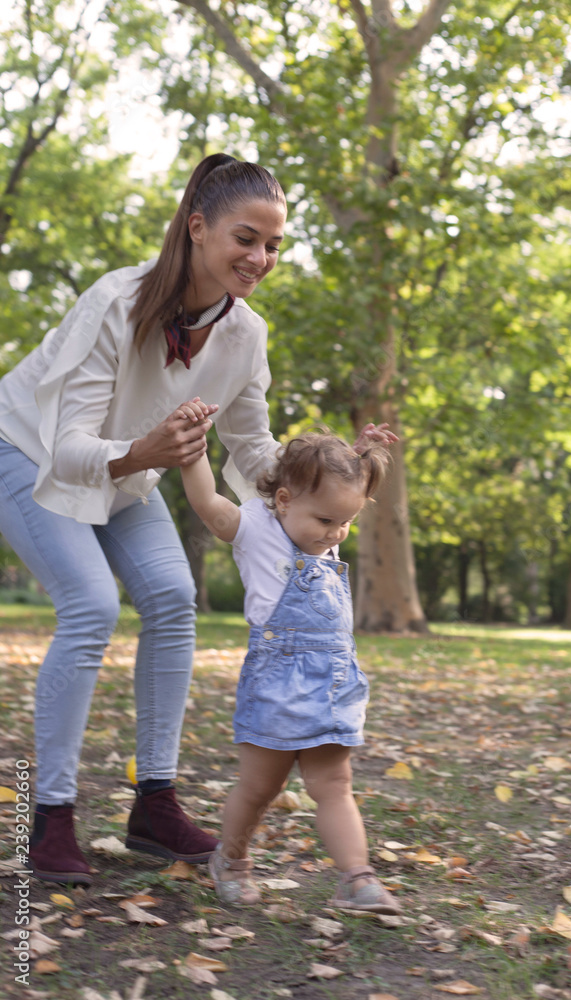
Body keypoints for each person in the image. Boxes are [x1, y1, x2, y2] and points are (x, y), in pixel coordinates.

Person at [0, 152, 293, 885]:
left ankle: (153, 806)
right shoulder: (115, 301)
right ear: (197, 228)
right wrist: (143, 452)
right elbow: (69, 449)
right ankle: (50, 820)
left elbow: (251, 445)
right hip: (26, 452)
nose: (259, 258)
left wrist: (318, 487)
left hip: (128, 474)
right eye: (245, 238)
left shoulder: (244, 333)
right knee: (91, 605)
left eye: (273, 244)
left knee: (170, 598)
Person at [180, 412, 401, 914]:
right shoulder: (258, 530)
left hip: (332, 685)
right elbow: (207, 503)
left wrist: (358, 454)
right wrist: (193, 453)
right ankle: (230, 860)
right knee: (261, 787)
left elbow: (334, 486)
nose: (336, 533)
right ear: (283, 500)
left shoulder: (322, 532)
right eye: (326, 521)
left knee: (335, 784)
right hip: (276, 685)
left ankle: (356, 877)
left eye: (346, 521)